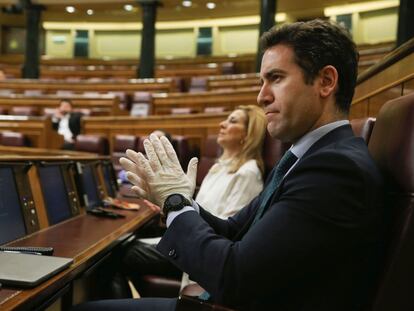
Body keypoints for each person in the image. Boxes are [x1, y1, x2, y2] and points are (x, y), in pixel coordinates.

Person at [72, 19, 384, 311]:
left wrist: (176, 203)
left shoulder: (334, 169)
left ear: (325, 81)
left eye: (275, 78)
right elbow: (234, 229)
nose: (261, 96)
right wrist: (177, 201)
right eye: (262, 81)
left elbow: (237, 279)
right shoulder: (307, 158)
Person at [117, 105, 267, 297]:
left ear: (248, 134)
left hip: (201, 248)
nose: (222, 124)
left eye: (232, 121)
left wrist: (177, 207)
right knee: (122, 247)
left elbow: (229, 231)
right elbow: (200, 211)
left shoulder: (248, 173)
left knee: (122, 252)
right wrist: (168, 206)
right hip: (190, 237)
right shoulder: (218, 167)